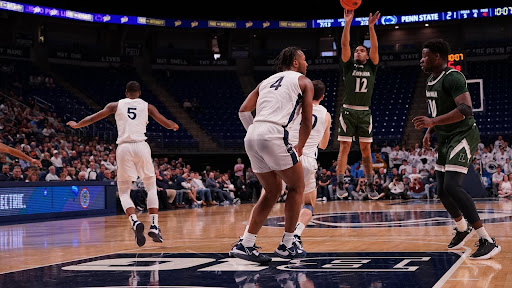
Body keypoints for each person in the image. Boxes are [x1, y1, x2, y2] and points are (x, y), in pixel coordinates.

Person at [413, 39, 500, 259]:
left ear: (437, 57)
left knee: (452, 185)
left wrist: (432, 123)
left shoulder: (452, 77)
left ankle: (487, 240)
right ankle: (462, 229)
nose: (421, 60)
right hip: (445, 137)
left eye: (424, 56)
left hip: (463, 135)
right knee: (441, 190)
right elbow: (437, 112)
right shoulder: (431, 81)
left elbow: (465, 109)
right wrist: (429, 132)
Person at [67, 80, 179, 247]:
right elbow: (164, 121)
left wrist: (78, 125)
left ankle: (134, 221)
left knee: (124, 191)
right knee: (151, 187)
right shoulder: (148, 106)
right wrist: (173, 126)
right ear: (139, 93)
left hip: (124, 148)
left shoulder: (115, 105)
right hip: (141, 145)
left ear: (126, 93)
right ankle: (154, 225)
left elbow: (94, 117)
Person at [229, 46, 314, 264]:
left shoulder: (265, 81)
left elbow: (243, 110)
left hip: (253, 134)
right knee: (297, 187)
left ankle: (245, 243)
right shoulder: (304, 81)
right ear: (295, 62)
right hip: (274, 133)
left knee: (273, 190)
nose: (306, 63)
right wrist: (301, 146)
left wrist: (255, 132)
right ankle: (287, 244)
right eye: (304, 60)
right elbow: (306, 119)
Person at [336, 9, 381, 200]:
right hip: (348, 111)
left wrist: (371, 27)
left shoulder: (372, 65)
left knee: (366, 151)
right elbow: (345, 44)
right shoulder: (348, 65)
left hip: (364, 113)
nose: (357, 52)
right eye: (356, 50)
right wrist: (348, 22)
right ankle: (339, 184)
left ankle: (370, 186)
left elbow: (376, 49)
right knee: (344, 147)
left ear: (367, 54)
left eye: (361, 50)